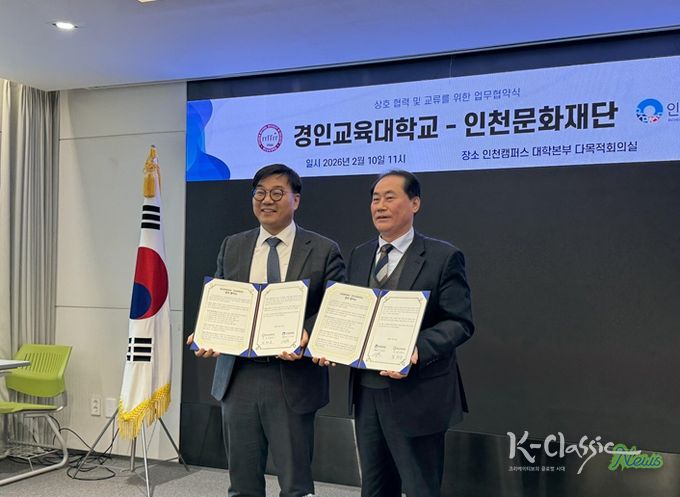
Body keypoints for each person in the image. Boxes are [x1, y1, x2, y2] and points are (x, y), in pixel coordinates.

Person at [187, 163, 345, 497]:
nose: (266, 200)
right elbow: (222, 300)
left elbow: (336, 309)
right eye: (259, 193)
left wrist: (308, 333)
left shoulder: (323, 249)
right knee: (242, 483)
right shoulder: (233, 245)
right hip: (238, 376)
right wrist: (207, 333)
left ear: (296, 200)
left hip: (292, 377)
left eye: (276, 193)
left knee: (296, 485)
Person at [317, 170, 474, 497]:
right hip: (367, 393)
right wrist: (329, 340)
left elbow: (459, 322)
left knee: (420, 487)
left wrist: (416, 349)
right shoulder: (360, 255)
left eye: (390, 197)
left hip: (419, 393)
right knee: (375, 488)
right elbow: (353, 313)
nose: (380, 206)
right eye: (375, 199)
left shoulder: (443, 257)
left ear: (415, 203)